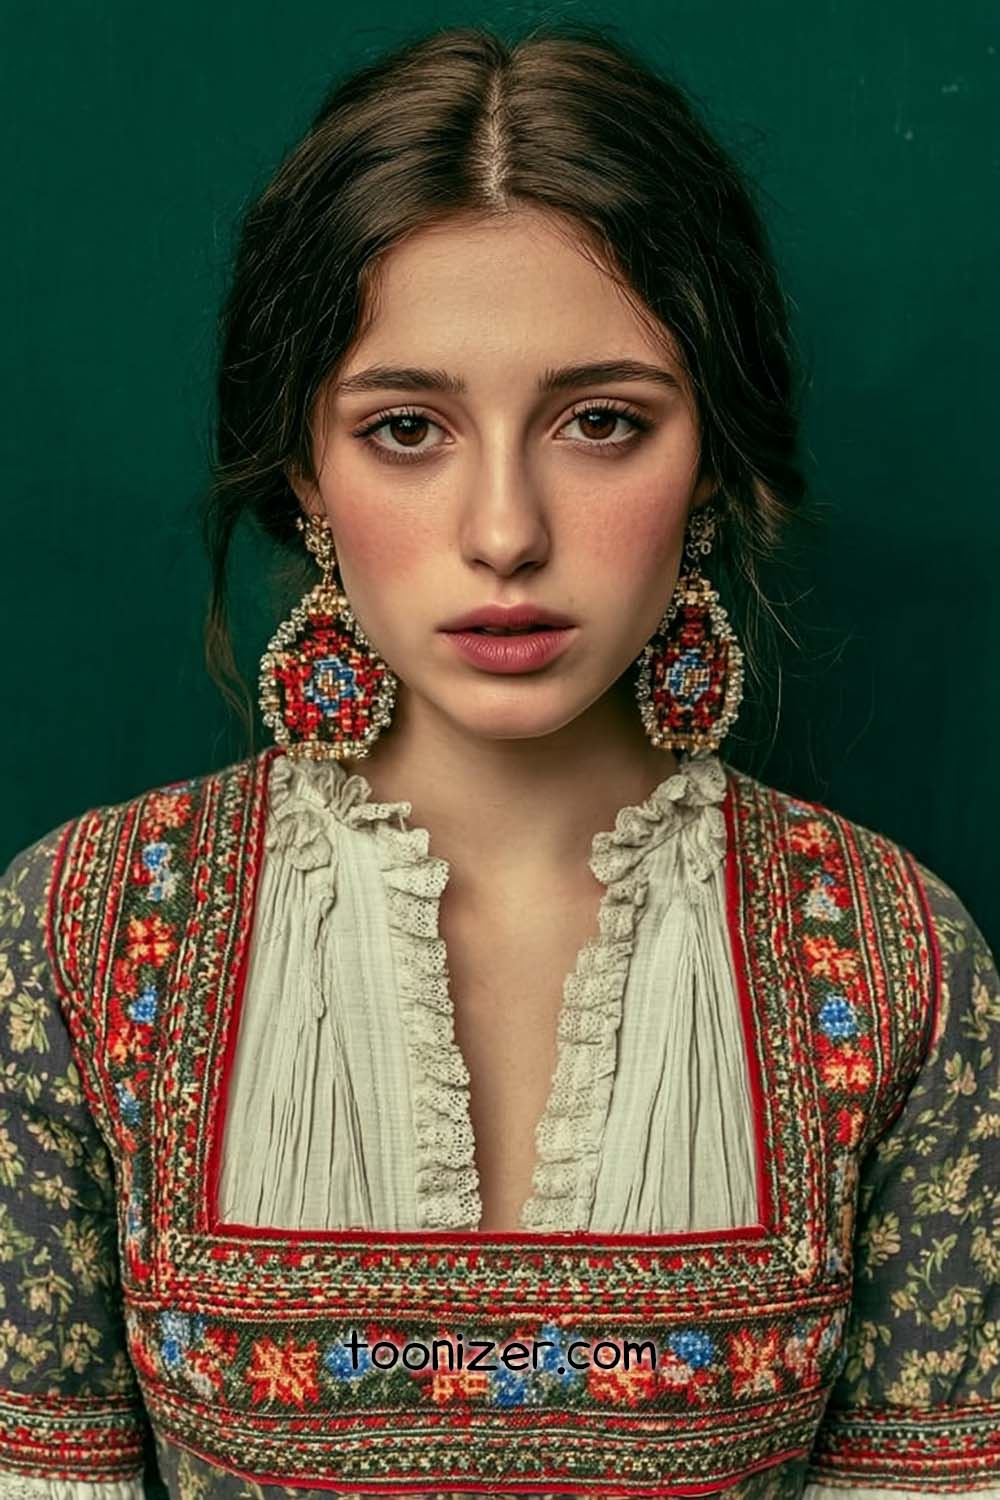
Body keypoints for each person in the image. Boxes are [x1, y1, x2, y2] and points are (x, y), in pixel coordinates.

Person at [0, 21, 997, 1500]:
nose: (507, 529)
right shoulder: (84, 941)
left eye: (602, 423)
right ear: (303, 472)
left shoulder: (894, 959)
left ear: (709, 460)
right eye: (408, 427)